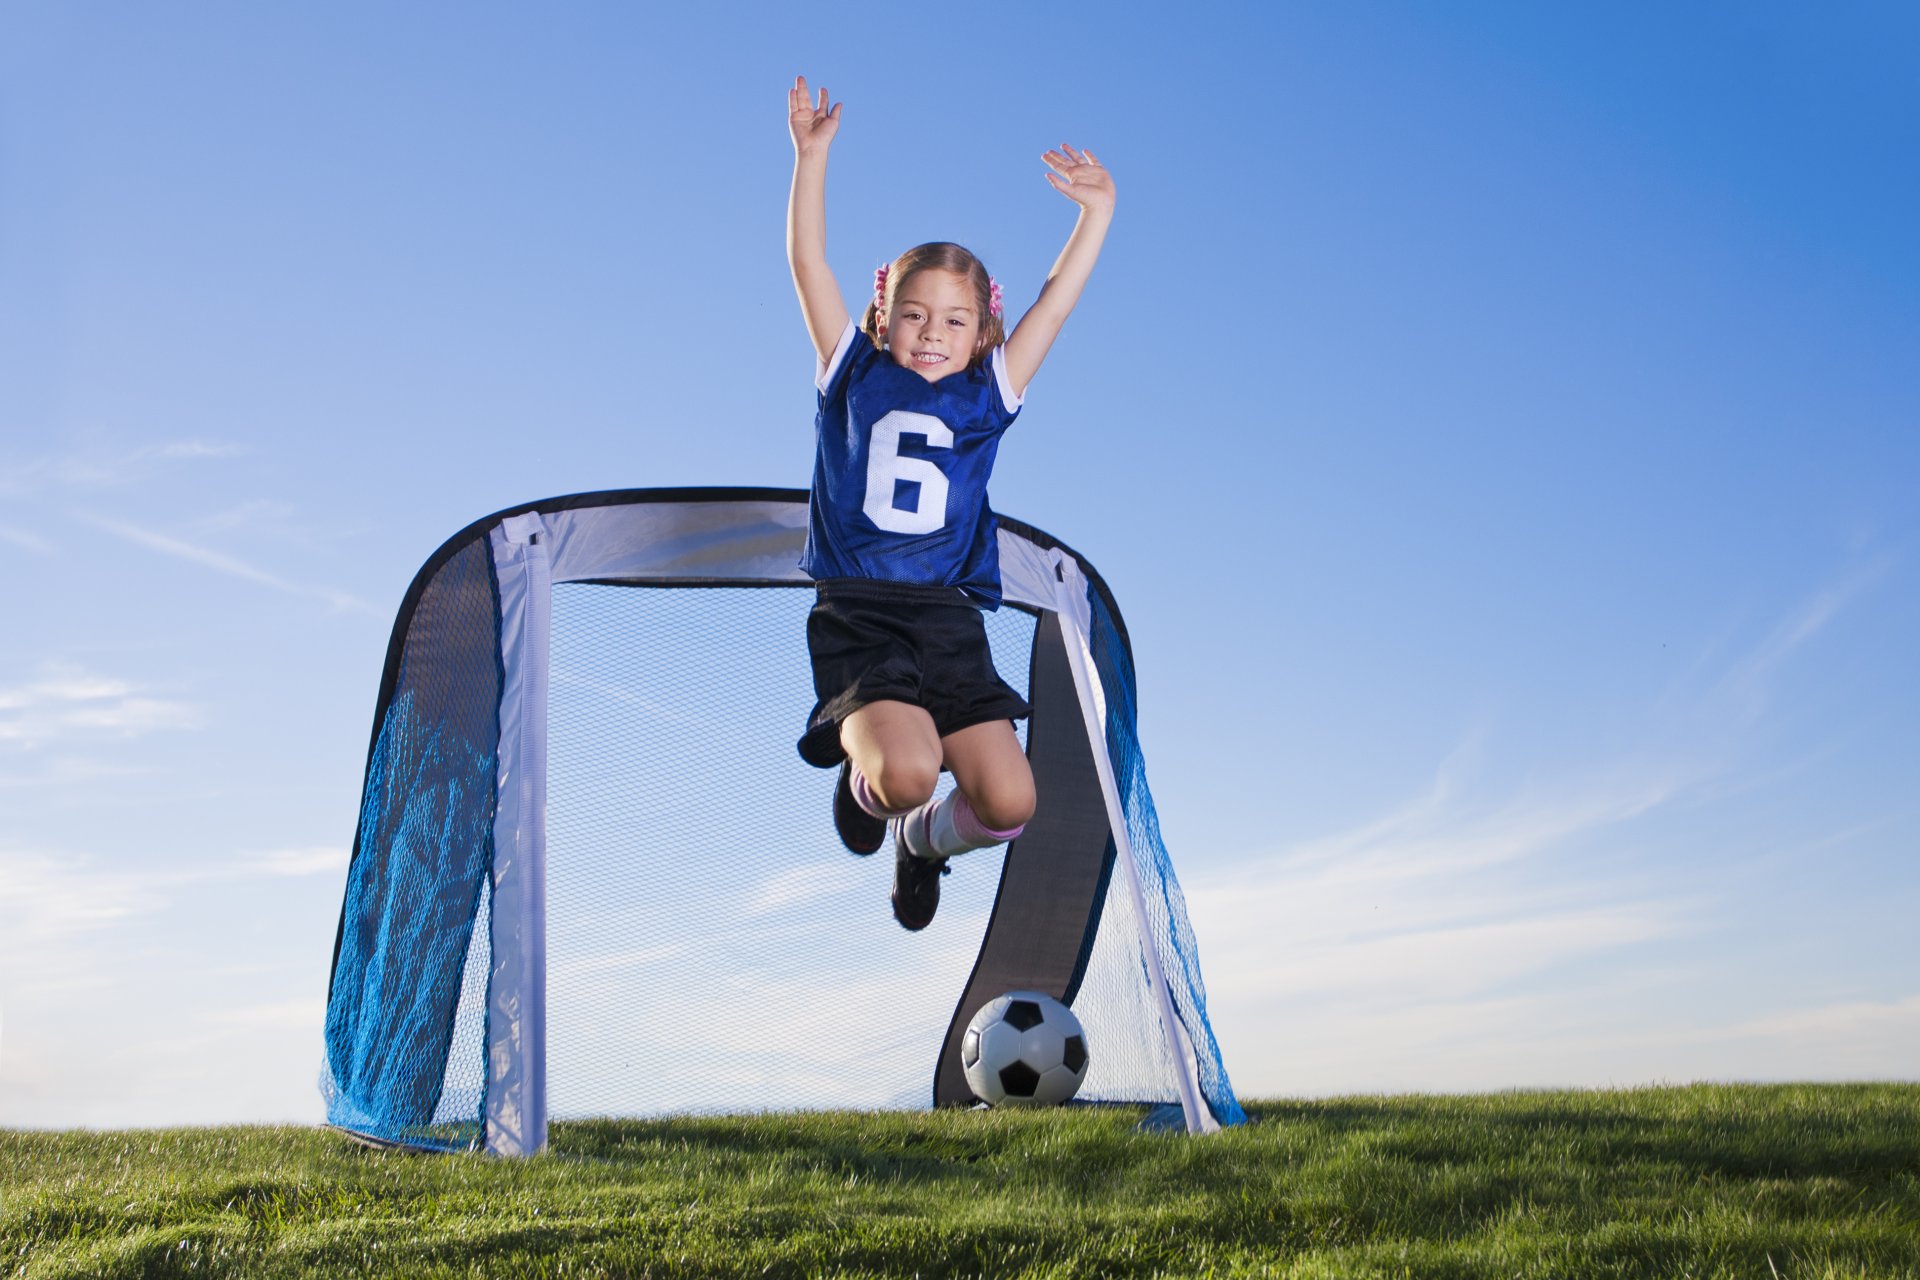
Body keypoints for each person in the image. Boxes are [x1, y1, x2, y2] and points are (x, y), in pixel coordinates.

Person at [786, 75, 1115, 931]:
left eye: (955, 321)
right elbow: (808, 262)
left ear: (982, 334)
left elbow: (1056, 305)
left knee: (1010, 804)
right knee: (909, 771)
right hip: (861, 614)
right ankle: (870, 791)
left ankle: (921, 844)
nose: (933, 333)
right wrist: (811, 158)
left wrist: (1096, 216)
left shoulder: (988, 394)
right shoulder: (849, 375)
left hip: (950, 620)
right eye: (915, 315)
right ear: (883, 319)